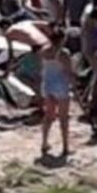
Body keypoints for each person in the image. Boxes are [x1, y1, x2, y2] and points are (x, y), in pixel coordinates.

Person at [39, 28, 74, 156]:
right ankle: (65, 147)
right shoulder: (64, 53)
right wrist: (74, 87)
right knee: (63, 118)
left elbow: (42, 68)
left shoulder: (43, 51)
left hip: (48, 85)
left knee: (48, 116)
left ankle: (44, 142)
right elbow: (69, 72)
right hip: (61, 86)